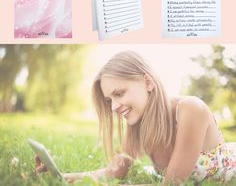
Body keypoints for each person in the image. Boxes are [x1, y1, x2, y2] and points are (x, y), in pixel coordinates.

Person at [36, 51, 236, 185]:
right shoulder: (138, 123)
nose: (114, 107)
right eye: (109, 100)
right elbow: (114, 172)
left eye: (119, 94)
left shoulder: (191, 109)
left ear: (148, 82)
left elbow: (173, 181)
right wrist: (62, 176)